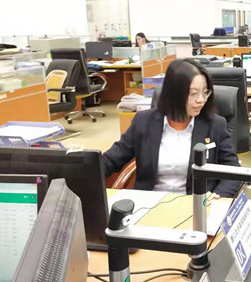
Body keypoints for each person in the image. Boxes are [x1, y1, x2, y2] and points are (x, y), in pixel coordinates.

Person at [102, 59, 241, 198]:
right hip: (149, 203)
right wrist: (90, 171)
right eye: (193, 93)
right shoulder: (143, 122)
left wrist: (219, 195)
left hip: (197, 204)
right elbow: (110, 160)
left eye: (205, 92)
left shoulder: (215, 125)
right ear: (174, 93)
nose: (201, 99)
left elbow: (232, 169)